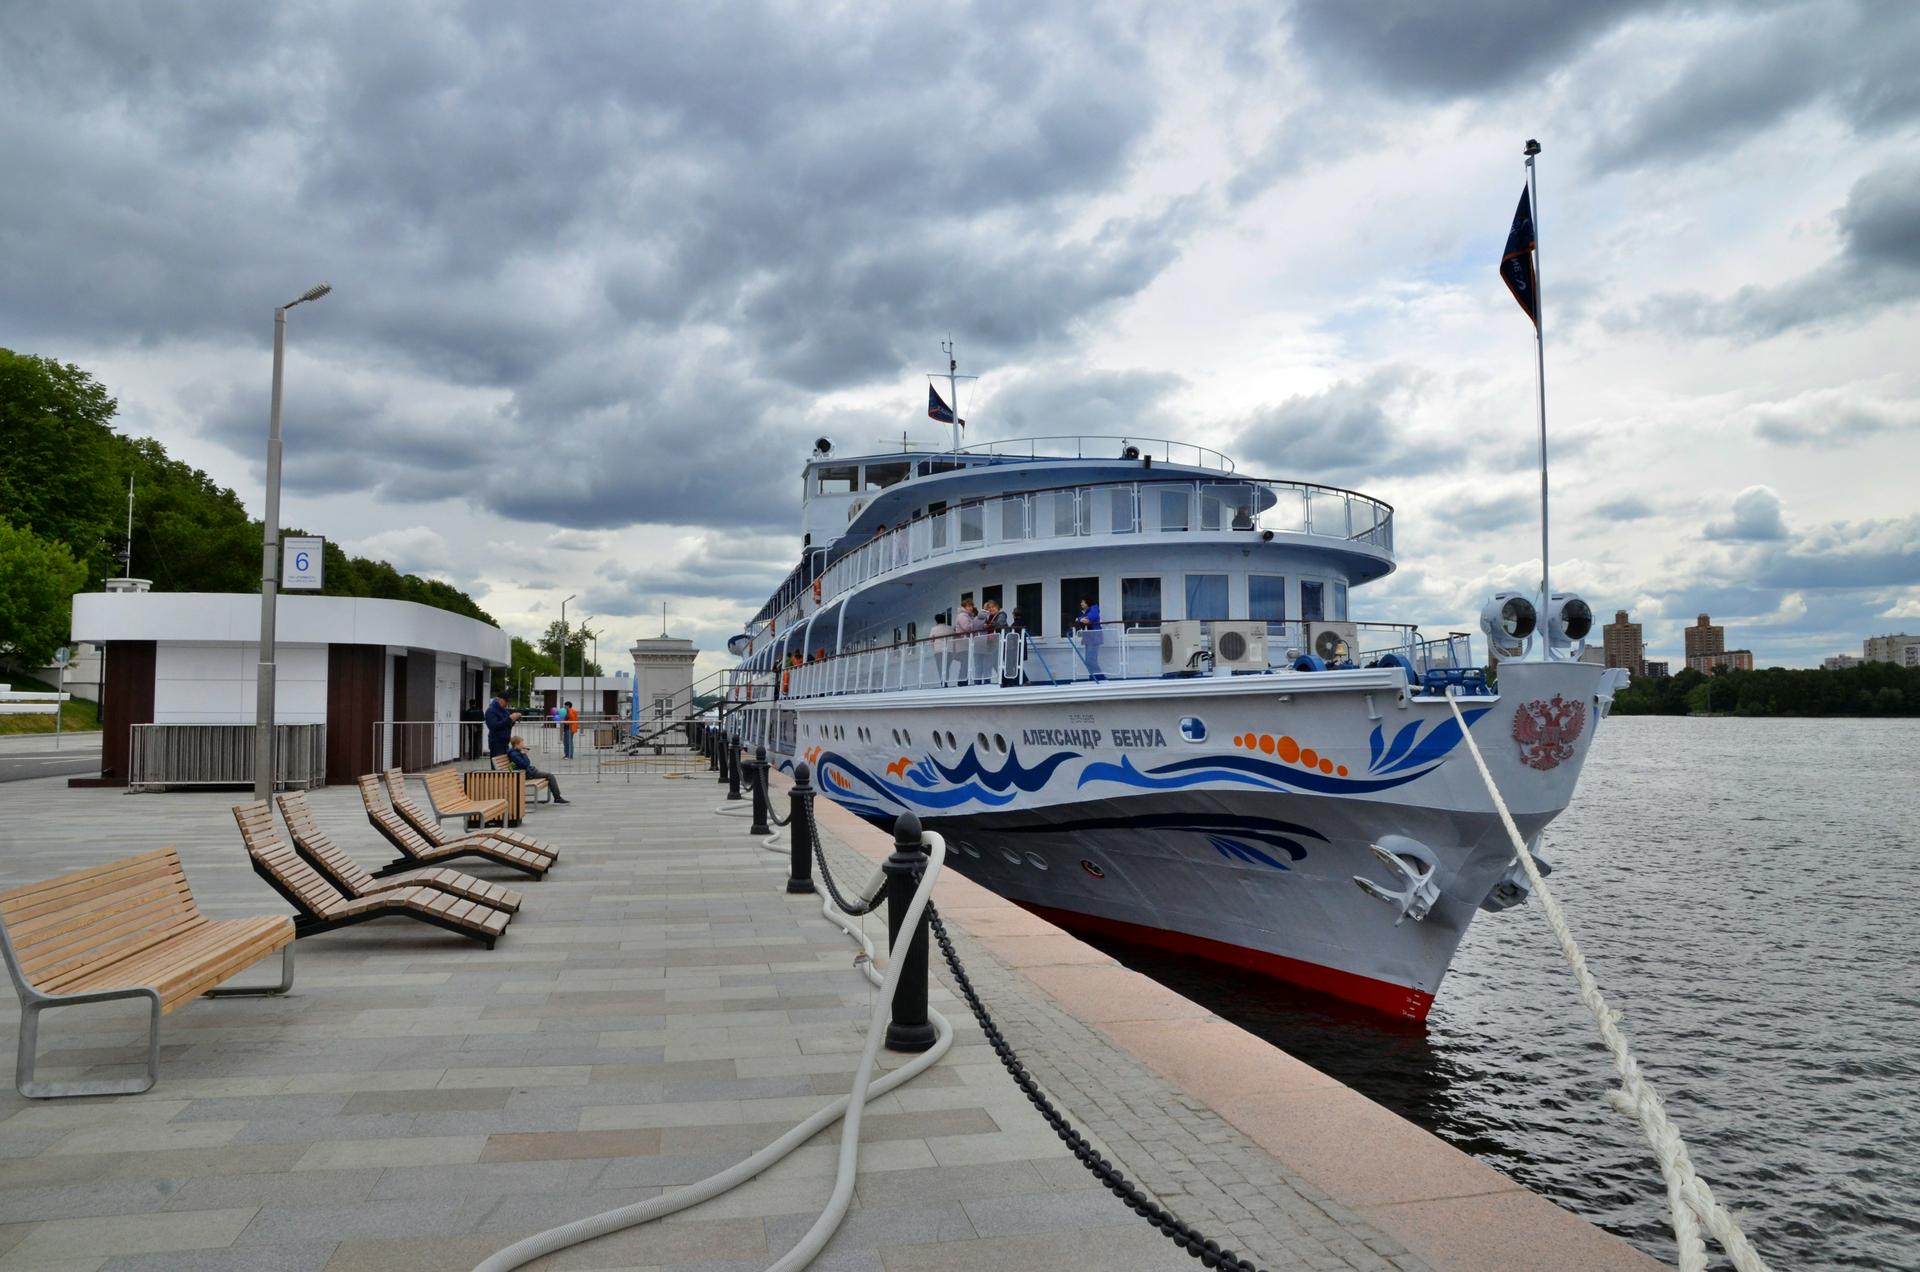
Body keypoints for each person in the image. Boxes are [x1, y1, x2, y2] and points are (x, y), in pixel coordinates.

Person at [507, 735, 569, 804]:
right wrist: (524, 754)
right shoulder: (514, 754)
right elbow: (525, 764)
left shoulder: (516, 752)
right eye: (522, 743)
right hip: (525, 774)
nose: (523, 745)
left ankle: (557, 797)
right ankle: (557, 798)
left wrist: (523, 754)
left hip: (528, 772)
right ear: (516, 744)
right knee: (550, 776)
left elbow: (525, 764)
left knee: (549, 776)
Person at [483, 690, 521, 759]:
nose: (507, 703)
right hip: (496, 742)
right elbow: (493, 726)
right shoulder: (491, 711)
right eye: (505, 701)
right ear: (498, 699)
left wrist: (514, 719)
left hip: (504, 742)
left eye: (507, 701)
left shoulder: (504, 710)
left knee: (504, 765)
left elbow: (506, 724)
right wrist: (510, 719)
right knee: (497, 765)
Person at [1075, 597, 1104, 679]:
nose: (1081, 604)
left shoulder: (1094, 609)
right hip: (1089, 637)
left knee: (1090, 659)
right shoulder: (1085, 612)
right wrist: (1080, 619)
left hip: (1094, 637)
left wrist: (1080, 619)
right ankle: (1094, 676)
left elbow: (1087, 620)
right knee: (1088, 660)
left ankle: (1099, 677)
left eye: (1083, 602)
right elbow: (1078, 620)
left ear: (1088, 602)